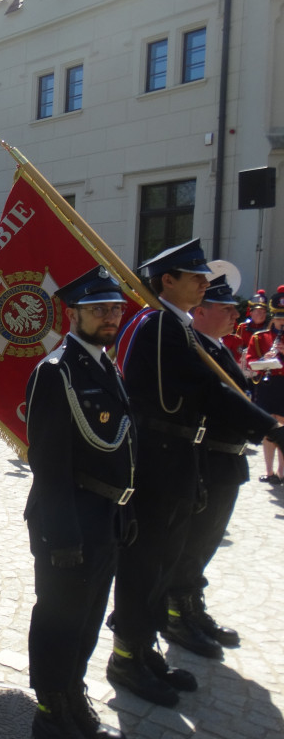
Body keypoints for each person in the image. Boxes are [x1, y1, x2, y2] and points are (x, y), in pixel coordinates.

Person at [108, 239, 284, 707]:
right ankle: (126, 658)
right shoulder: (160, 325)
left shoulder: (173, 325)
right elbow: (207, 390)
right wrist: (270, 427)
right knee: (145, 566)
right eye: (196, 278)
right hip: (156, 462)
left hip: (178, 459)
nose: (205, 285)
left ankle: (144, 651)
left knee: (164, 562)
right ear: (168, 281)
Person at [24, 266, 132, 739]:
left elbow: (123, 445)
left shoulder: (107, 365)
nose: (110, 317)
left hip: (105, 513)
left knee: (89, 615)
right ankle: (50, 706)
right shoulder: (56, 372)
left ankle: (73, 688)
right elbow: (47, 463)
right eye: (99, 310)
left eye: (115, 309)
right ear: (74, 314)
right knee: (58, 615)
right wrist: (62, 534)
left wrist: (126, 509)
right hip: (68, 514)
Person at [161, 274, 248, 661]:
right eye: (225, 308)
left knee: (206, 542)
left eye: (234, 308)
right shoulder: (195, 350)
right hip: (208, 459)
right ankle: (178, 614)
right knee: (193, 544)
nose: (235, 314)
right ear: (200, 312)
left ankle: (192, 606)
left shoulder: (218, 349)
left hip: (227, 460)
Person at [244, 287, 284, 484]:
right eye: (278, 318)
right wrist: (264, 358)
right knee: (270, 427)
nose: (281, 322)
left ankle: (282, 471)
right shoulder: (259, 337)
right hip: (268, 387)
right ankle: (269, 472)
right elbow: (250, 362)